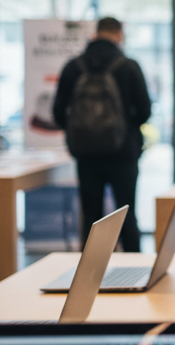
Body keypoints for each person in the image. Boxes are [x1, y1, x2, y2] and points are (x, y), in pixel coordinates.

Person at [53, 17, 152, 253]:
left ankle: (90, 279)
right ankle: (134, 275)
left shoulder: (73, 66)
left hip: (86, 155)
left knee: (92, 217)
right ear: (119, 34)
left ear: (96, 33)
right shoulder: (128, 66)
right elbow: (145, 111)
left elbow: (58, 112)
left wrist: (80, 133)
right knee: (127, 215)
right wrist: (124, 128)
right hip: (123, 153)